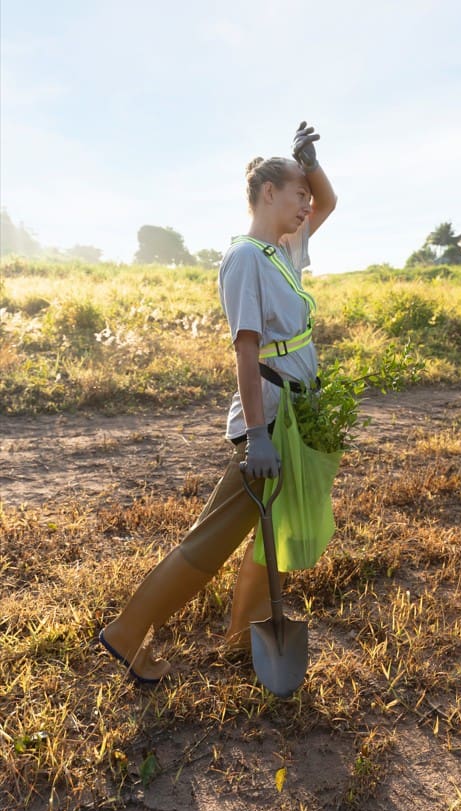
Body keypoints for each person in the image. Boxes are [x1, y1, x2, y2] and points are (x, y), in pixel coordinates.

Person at [98, 122, 337, 683]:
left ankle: (244, 626)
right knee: (212, 539)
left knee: (276, 529)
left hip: (296, 416)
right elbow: (247, 352)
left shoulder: (284, 252)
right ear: (266, 192)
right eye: (297, 191)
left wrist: (310, 161)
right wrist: (256, 436)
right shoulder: (245, 258)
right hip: (269, 420)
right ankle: (128, 631)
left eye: (307, 194)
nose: (307, 203)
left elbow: (331, 199)